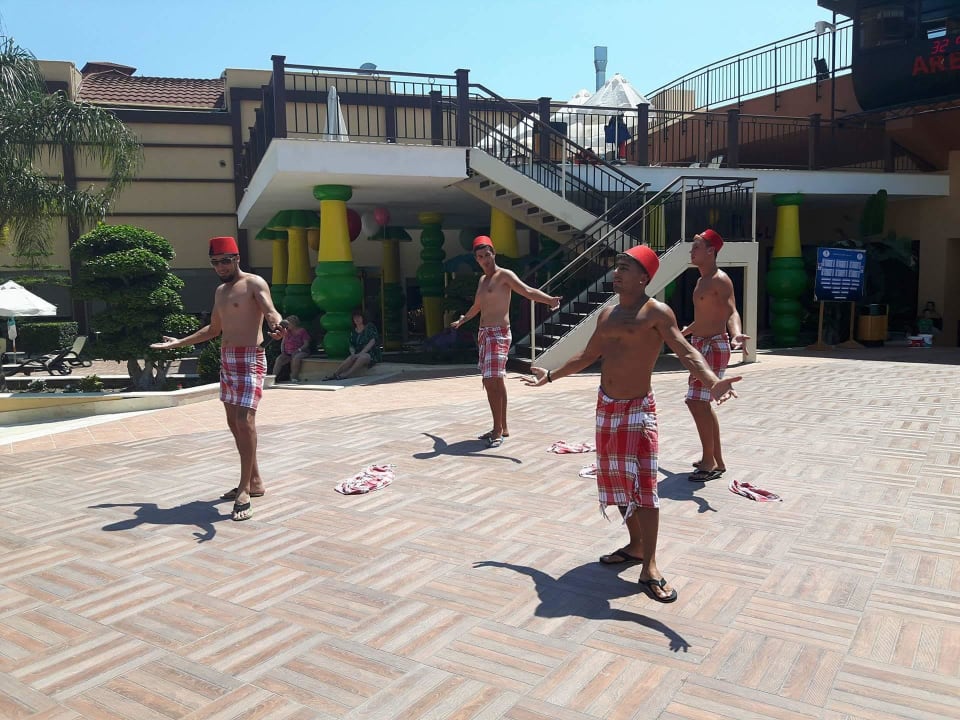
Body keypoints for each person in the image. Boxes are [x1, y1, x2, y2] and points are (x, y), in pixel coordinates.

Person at [524, 244, 741, 603]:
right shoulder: (607, 315)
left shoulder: (657, 312)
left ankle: (650, 565)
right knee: (617, 483)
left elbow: (686, 351)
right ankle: (636, 545)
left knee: (644, 487)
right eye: (617, 267)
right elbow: (588, 355)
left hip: (638, 412)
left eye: (625, 268)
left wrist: (711, 380)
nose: (617, 273)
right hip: (606, 408)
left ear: (644, 277)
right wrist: (550, 375)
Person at [150, 236, 282, 521]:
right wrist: (178, 343)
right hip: (227, 359)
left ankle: (244, 490)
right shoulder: (220, 292)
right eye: (215, 262)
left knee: (245, 421)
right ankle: (255, 481)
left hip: (250, 358)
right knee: (234, 423)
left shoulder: (254, 283)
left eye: (225, 261)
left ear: (237, 258)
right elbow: (213, 330)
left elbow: (271, 311)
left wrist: (277, 325)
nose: (221, 267)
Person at [451, 236, 562, 448]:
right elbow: (477, 306)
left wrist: (549, 300)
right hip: (484, 334)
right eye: (480, 257)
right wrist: (463, 320)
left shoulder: (504, 275)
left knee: (491, 380)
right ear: (476, 260)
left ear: (494, 253)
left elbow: (527, 291)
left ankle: (497, 430)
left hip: (499, 334)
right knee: (494, 381)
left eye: (487, 255)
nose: (485, 260)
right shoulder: (482, 281)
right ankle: (503, 426)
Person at [680, 229, 748, 482]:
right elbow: (704, 318)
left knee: (696, 402)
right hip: (700, 344)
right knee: (700, 403)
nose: (691, 251)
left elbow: (731, 311)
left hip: (715, 345)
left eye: (696, 247)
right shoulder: (701, 281)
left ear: (711, 251)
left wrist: (737, 334)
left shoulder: (721, 279)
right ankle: (715, 460)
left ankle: (710, 461)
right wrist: (683, 332)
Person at [324, 308, 381, 380]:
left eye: (359, 317)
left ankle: (346, 374)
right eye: (355, 318)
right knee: (351, 358)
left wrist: (361, 353)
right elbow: (351, 345)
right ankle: (335, 374)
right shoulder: (353, 331)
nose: (357, 319)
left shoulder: (369, 327)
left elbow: (372, 341)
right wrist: (353, 353)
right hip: (357, 353)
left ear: (362, 318)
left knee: (363, 357)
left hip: (371, 354)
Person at [273, 315, 311, 383]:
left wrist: (298, 350)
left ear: (294, 323)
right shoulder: (286, 331)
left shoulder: (302, 331)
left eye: (289, 323)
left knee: (296, 358)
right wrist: (283, 351)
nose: (287, 325)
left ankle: (294, 377)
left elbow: (306, 344)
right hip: (288, 353)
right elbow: (283, 343)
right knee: (279, 359)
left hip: (301, 351)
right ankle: (273, 378)